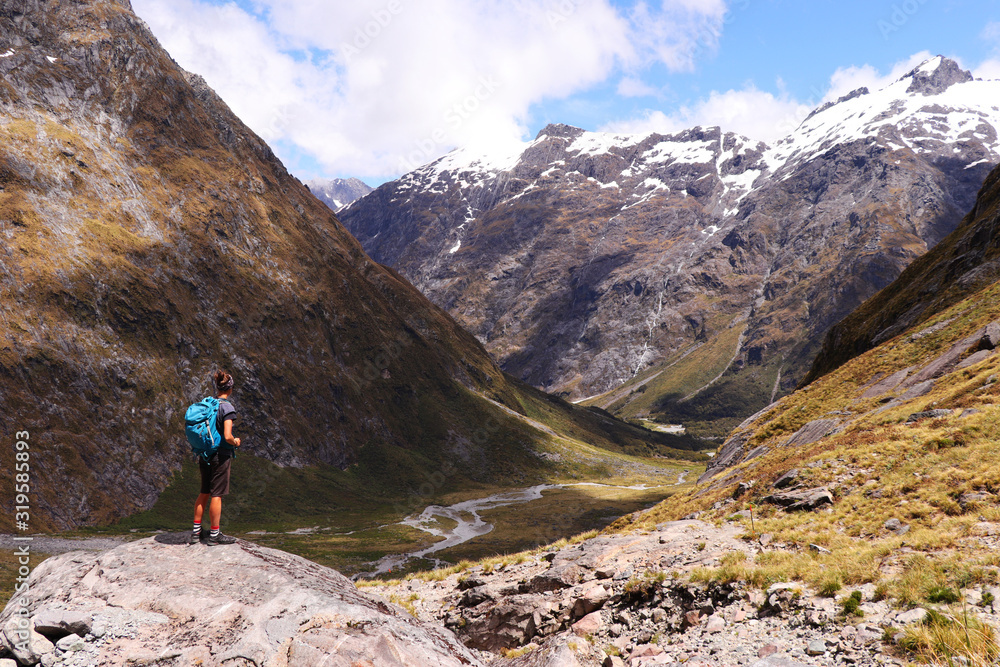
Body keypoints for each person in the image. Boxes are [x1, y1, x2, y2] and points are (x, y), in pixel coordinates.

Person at [190, 370, 241, 546]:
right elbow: (227, 436)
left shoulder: (209, 405)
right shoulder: (227, 408)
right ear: (230, 388)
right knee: (217, 495)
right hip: (221, 455)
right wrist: (236, 441)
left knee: (204, 492)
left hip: (205, 453)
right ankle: (214, 535)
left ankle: (196, 533)